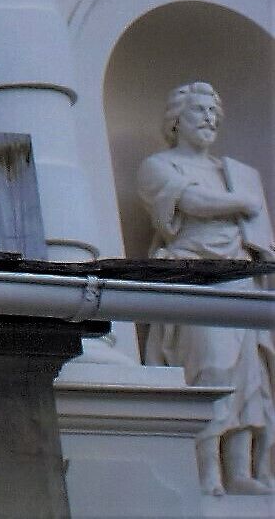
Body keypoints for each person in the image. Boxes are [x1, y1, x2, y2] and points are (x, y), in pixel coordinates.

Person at [135, 80, 275, 497]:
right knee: (209, 367)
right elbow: (194, 204)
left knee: (250, 376)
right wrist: (243, 202)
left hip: (241, 278)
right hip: (195, 277)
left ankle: (240, 472)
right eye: (200, 110)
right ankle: (207, 472)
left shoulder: (234, 173)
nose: (210, 119)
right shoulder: (159, 166)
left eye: (214, 112)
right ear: (176, 120)